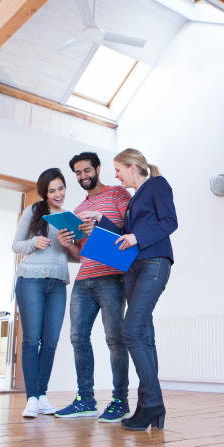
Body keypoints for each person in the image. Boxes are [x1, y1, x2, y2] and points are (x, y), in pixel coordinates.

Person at [79, 148, 177, 431]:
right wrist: (102, 221)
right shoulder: (134, 201)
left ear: (133, 167)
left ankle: (153, 404)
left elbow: (170, 222)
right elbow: (125, 235)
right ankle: (148, 407)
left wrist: (136, 236)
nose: (115, 175)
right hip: (134, 268)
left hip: (154, 263)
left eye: (118, 170)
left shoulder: (157, 185)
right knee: (144, 335)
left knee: (130, 331)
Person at [54, 152, 134, 423]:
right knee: (78, 339)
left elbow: (130, 230)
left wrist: (99, 224)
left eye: (86, 170)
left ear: (98, 169)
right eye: (77, 173)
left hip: (112, 277)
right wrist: (68, 245)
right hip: (83, 280)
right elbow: (80, 253)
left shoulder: (117, 195)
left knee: (115, 340)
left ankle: (119, 401)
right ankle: (85, 400)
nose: (83, 176)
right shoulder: (76, 211)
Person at [11, 168, 79, 418]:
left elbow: (78, 257)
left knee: (50, 342)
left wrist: (68, 244)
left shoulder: (70, 218)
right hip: (30, 279)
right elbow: (15, 245)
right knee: (31, 340)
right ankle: (31, 398)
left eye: (61, 188)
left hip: (58, 283)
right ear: (44, 193)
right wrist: (33, 243)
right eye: (52, 190)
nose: (58, 194)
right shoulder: (33, 211)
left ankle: (42, 396)